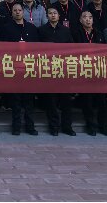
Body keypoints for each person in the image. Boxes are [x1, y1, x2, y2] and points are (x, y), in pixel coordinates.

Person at [0, 2, 39, 135]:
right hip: (14, 68)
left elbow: (37, 48)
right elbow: (2, 48)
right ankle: (16, 127)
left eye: (19, 10)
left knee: (29, 101)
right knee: (15, 101)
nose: (17, 12)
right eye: (15, 10)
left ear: (23, 12)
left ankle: (30, 126)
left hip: (28, 68)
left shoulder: (31, 28)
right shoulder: (6, 28)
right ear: (12, 13)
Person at [38, 7, 75, 136]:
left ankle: (67, 126)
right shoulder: (41, 30)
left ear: (59, 16)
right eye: (50, 13)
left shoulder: (66, 31)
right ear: (47, 16)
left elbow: (72, 49)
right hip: (48, 69)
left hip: (64, 69)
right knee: (51, 101)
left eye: (55, 13)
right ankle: (54, 126)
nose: (53, 15)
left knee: (66, 101)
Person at [73, 10, 107, 136]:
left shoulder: (99, 34)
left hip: (98, 70)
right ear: (80, 20)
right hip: (84, 70)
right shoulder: (76, 34)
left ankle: (103, 126)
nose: (88, 19)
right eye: (85, 17)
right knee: (87, 101)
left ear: (93, 20)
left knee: (102, 101)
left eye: (90, 17)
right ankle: (91, 126)